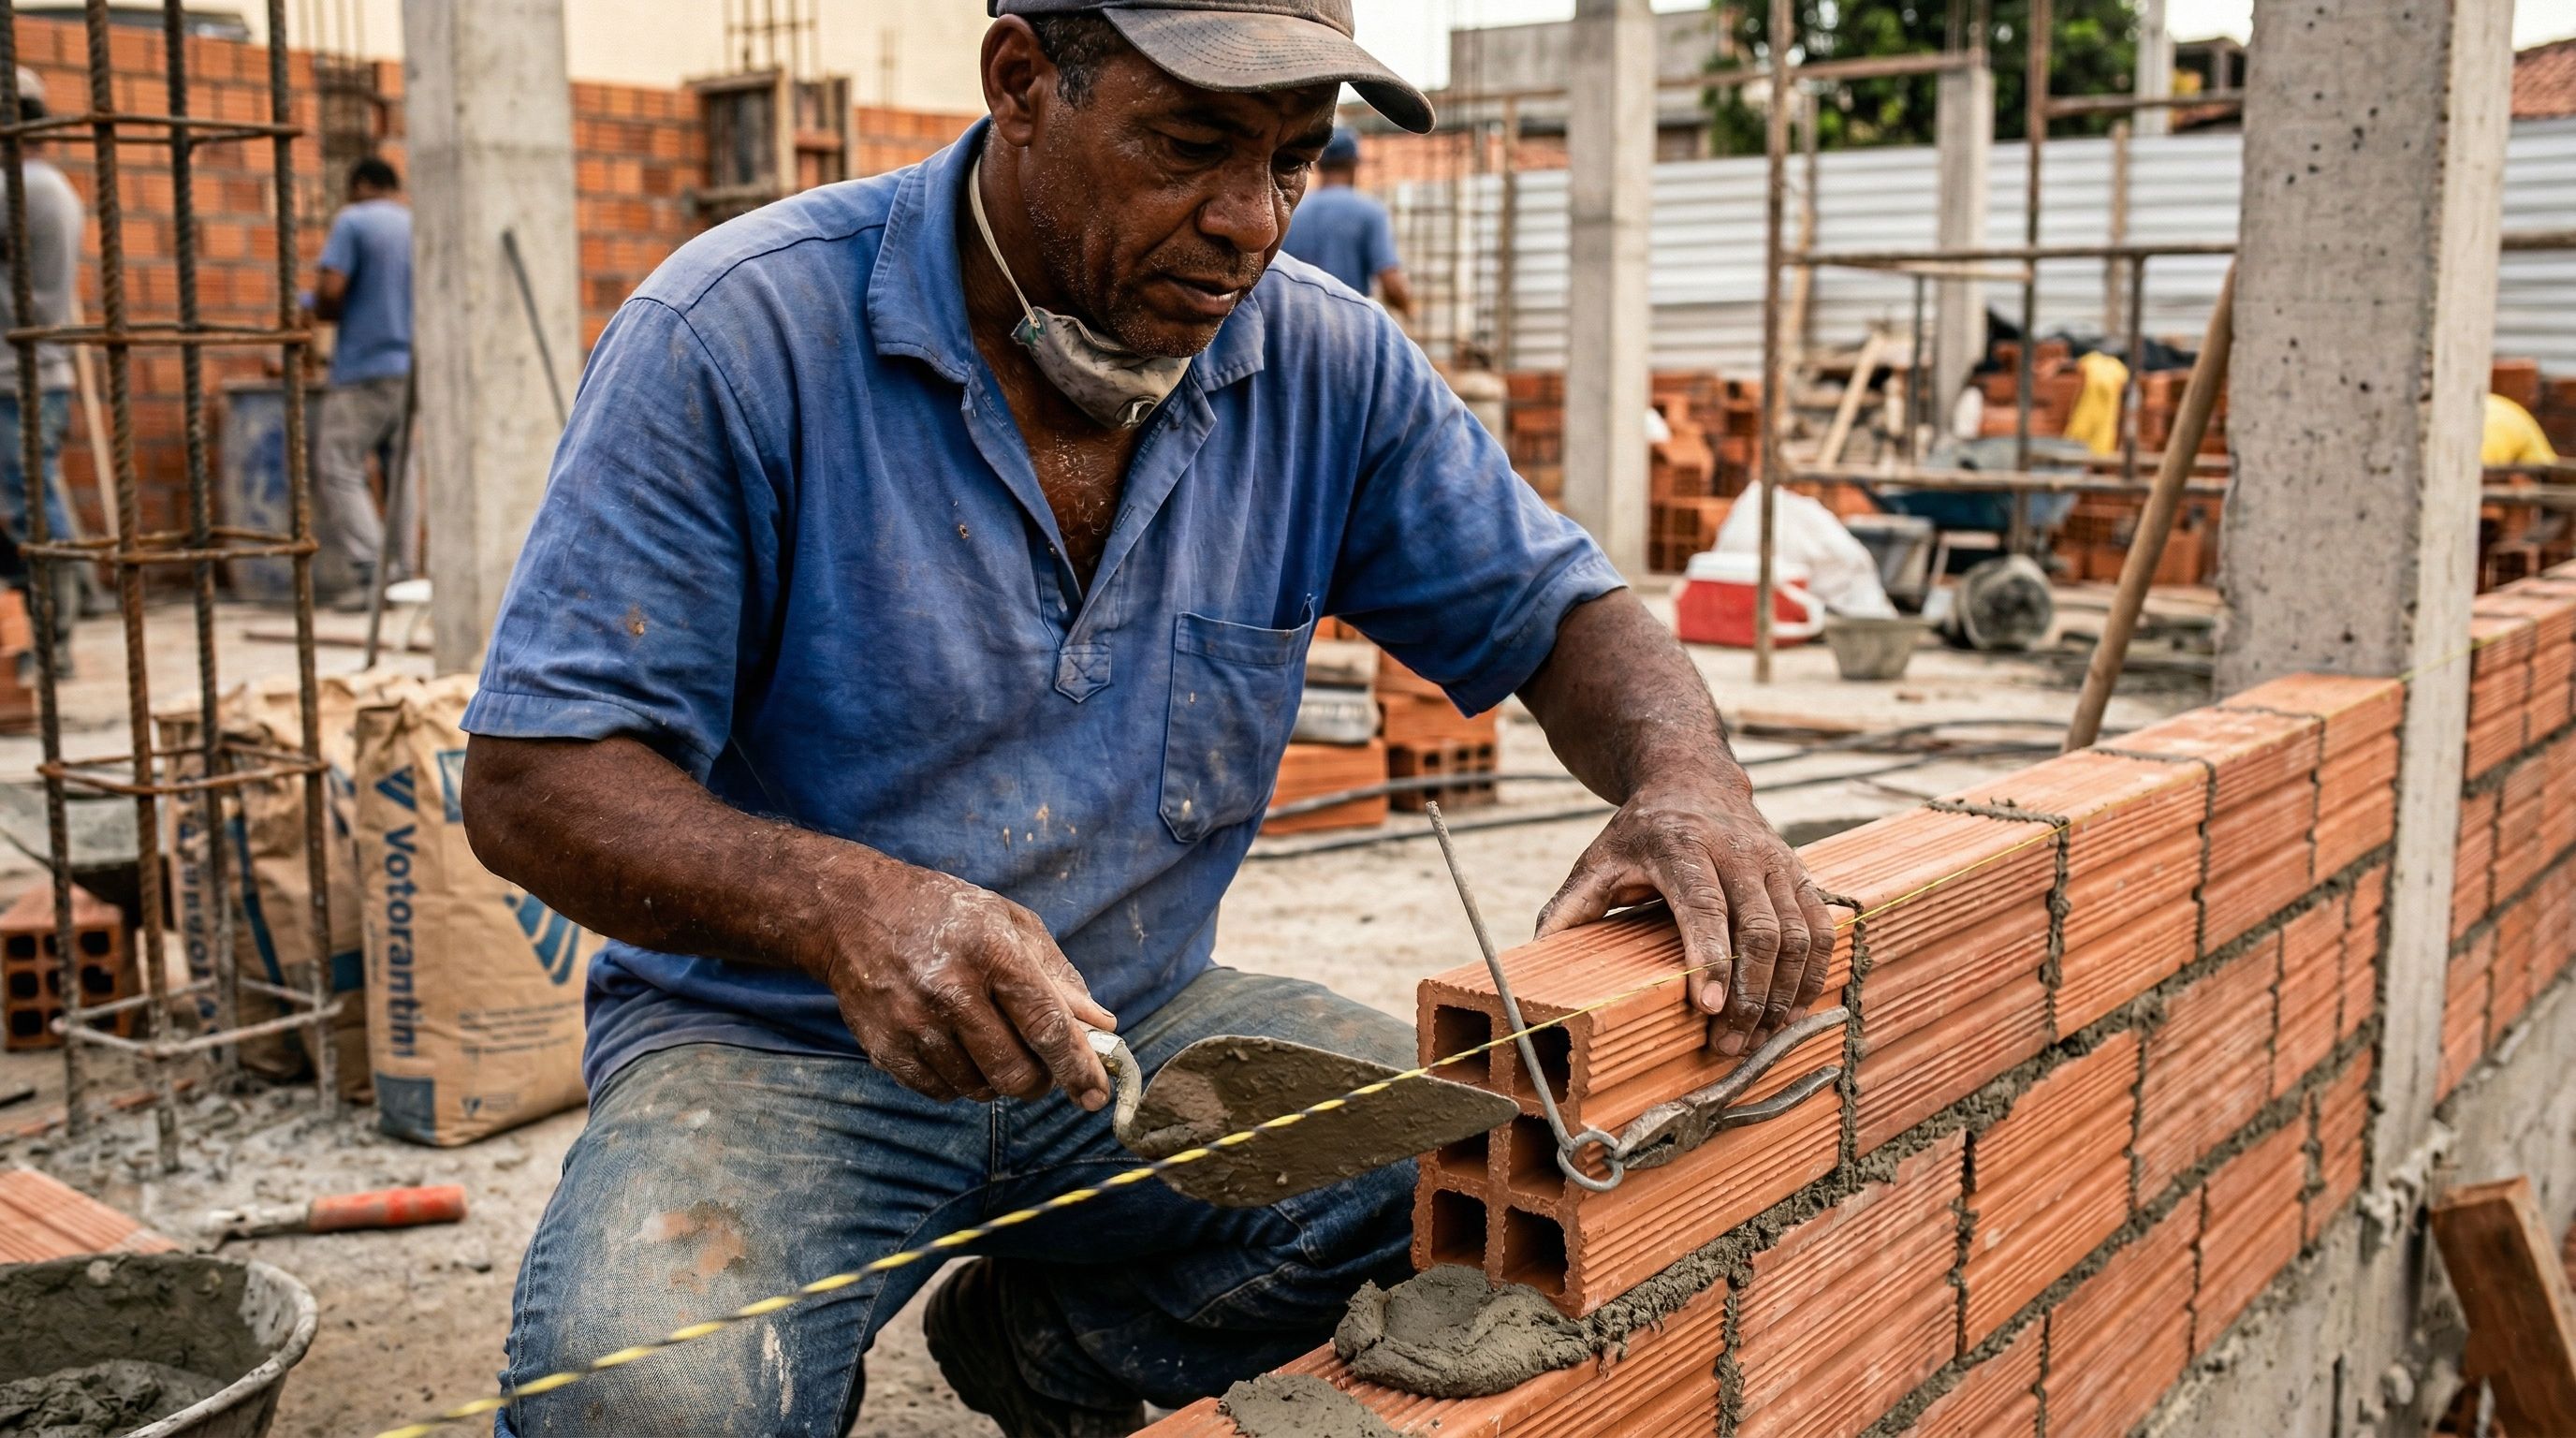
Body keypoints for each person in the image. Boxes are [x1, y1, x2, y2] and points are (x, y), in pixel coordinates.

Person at [458, 4, 1834, 1434]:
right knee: (649, 1403)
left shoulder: (1319, 362)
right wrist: (843, 908)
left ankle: (1055, 1351)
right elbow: (531, 783)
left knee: (1476, 1195)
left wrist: (1686, 782)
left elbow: (1564, 619)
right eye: (1192, 146)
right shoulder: (740, 333)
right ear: (1022, 84)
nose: (1251, 222)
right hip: (775, 1051)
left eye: (1296, 163)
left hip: (1140, 1035)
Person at [0, 66, 84, 669]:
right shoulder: (51, 184)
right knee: (34, 498)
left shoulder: (19, 188)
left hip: (17, 374)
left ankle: (53, 637)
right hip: (35, 371)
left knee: (32, 505)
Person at [309, 155, 410, 604]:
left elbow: (331, 291)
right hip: (410, 367)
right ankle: (405, 573)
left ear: (361, 185)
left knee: (339, 466)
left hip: (362, 368)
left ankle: (372, 572)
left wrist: (316, 309)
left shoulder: (353, 221)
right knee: (402, 470)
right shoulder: (413, 225)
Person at [1280, 125, 1412, 317]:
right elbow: (1390, 282)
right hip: (1350, 327)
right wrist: (1409, 310)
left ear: (1318, 163)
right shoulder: (1369, 212)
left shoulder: (1291, 212)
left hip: (1296, 325)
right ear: (1353, 165)